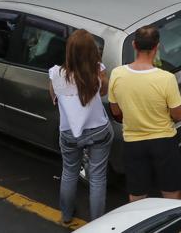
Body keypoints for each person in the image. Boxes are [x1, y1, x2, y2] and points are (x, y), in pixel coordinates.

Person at [108, 27, 181, 202]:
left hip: (133, 142)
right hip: (164, 141)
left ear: (134, 45)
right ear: (157, 47)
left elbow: (115, 111)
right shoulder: (166, 78)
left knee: (137, 194)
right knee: (171, 192)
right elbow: (178, 115)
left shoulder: (117, 74)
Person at [48, 30, 112, 223]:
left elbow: (53, 98)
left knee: (69, 172)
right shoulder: (98, 72)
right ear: (92, 51)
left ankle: (66, 215)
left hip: (68, 133)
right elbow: (104, 92)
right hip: (98, 130)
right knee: (97, 178)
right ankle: (97, 222)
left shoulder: (56, 74)